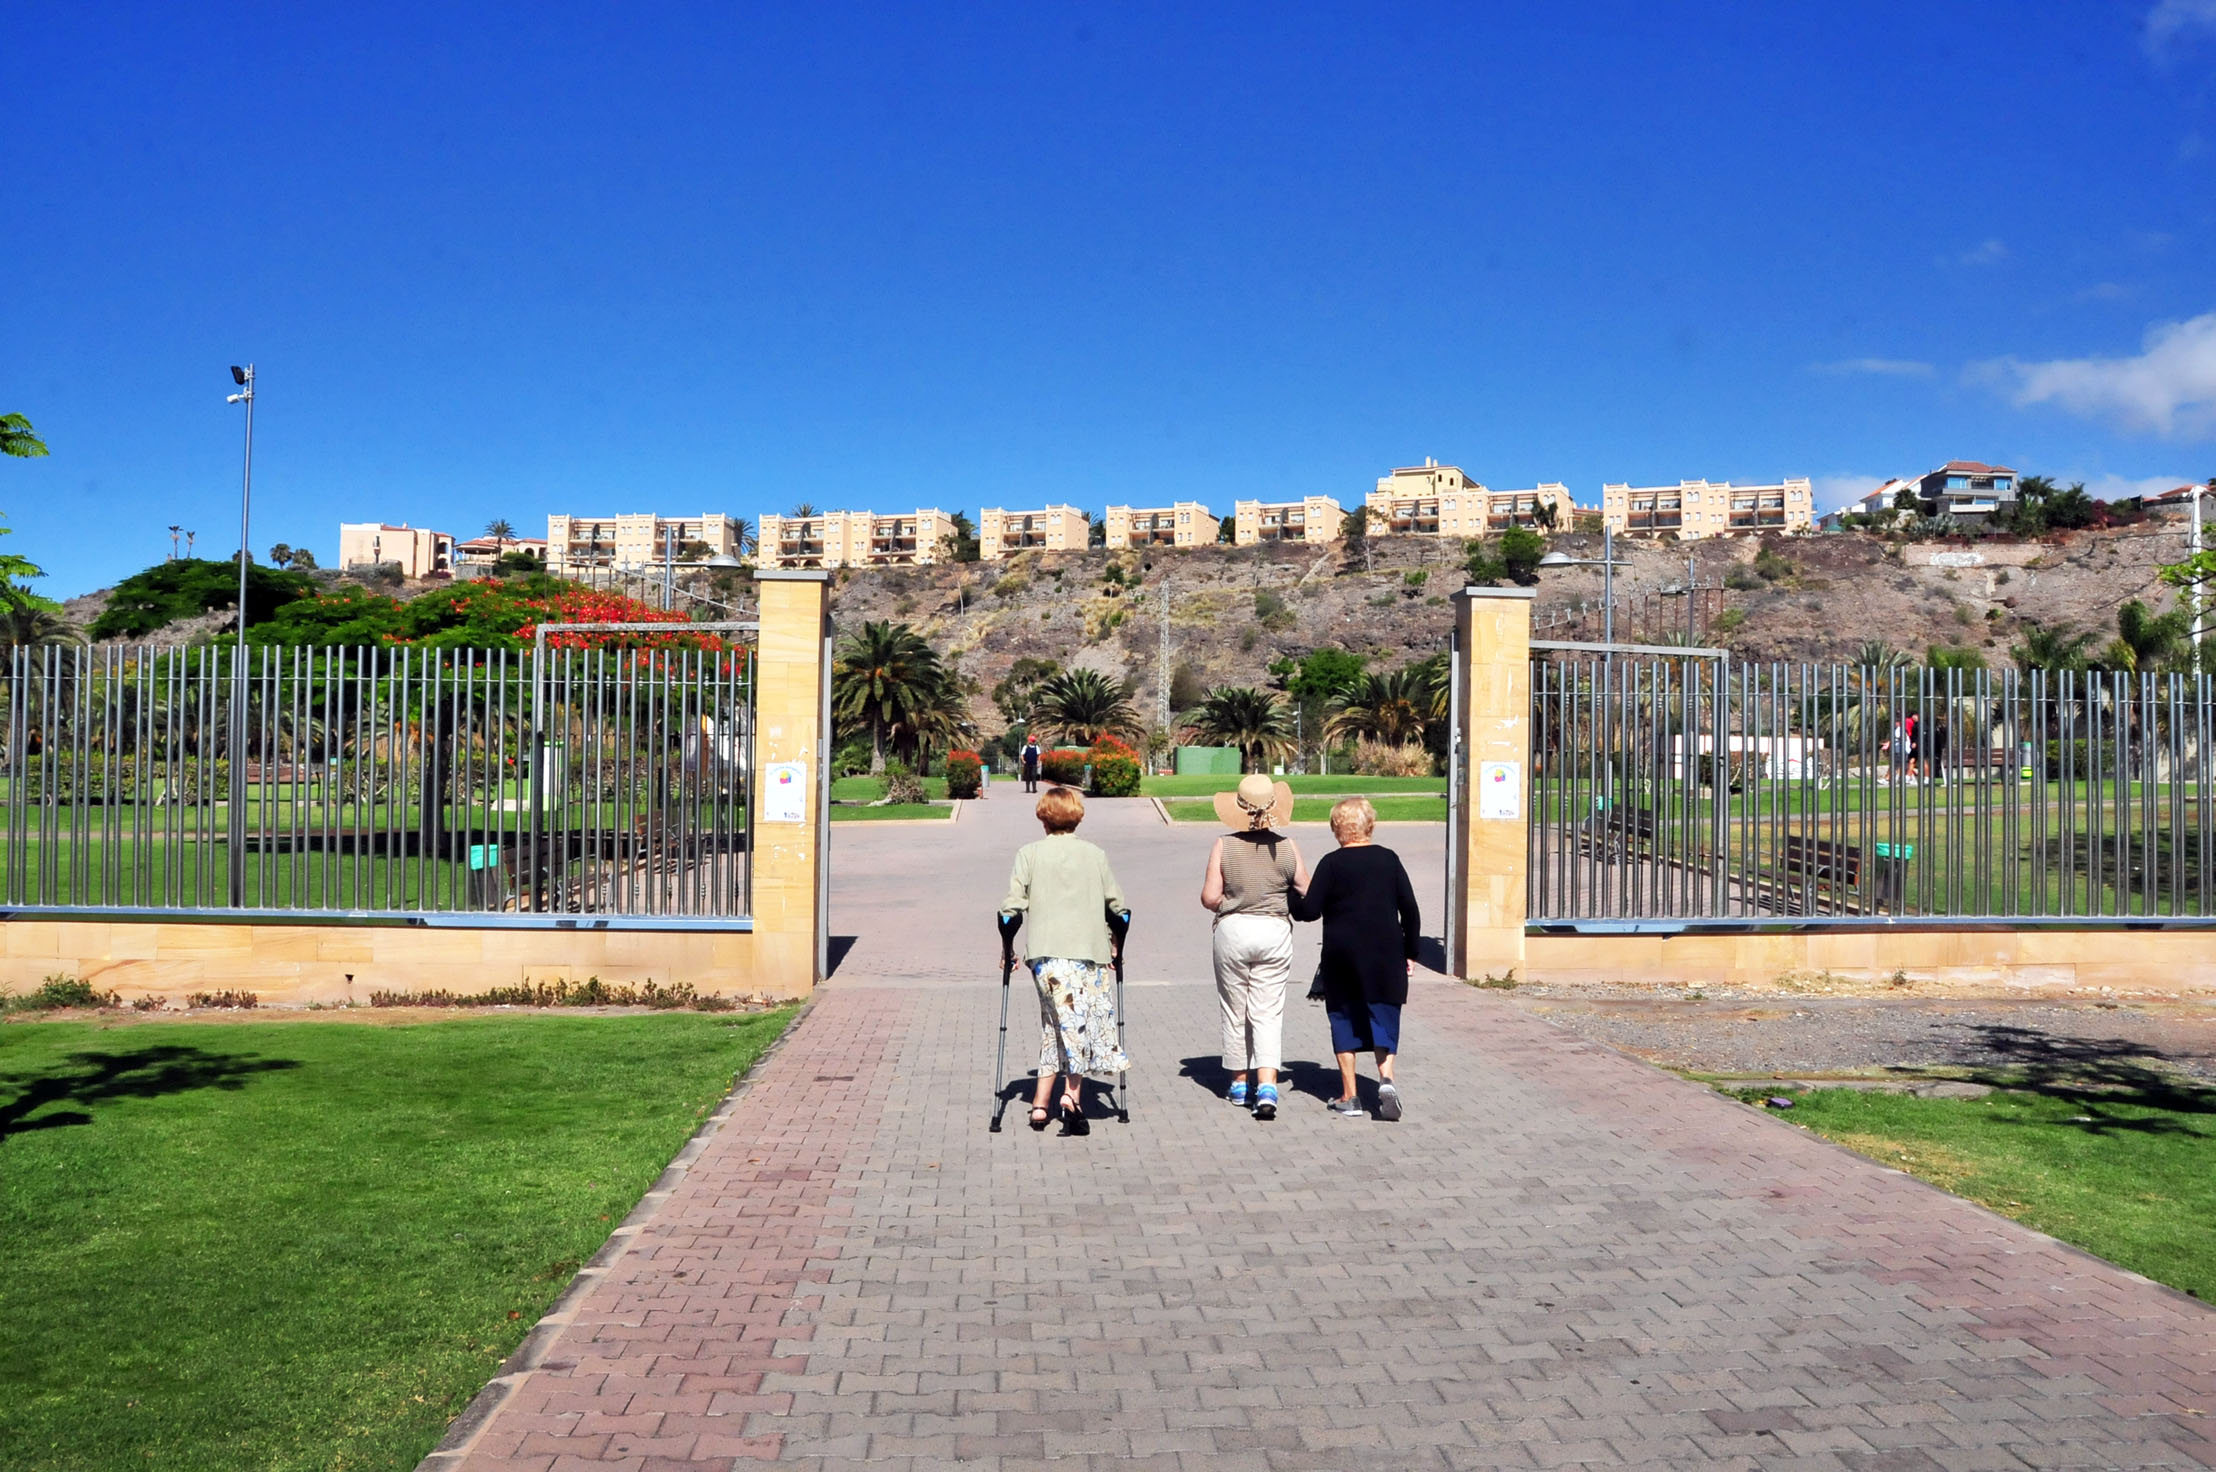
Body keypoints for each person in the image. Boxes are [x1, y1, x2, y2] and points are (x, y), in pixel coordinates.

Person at [1000, 786, 1129, 1135]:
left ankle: (1041, 1104)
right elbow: (1119, 909)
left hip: (1045, 956)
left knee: (1055, 1026)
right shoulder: (1095, 855)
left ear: (1043, 817)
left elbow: (1010, 910)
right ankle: (1071, 1098)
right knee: (1077, 1026)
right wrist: (1118, 945)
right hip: (1089, 954)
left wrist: (1007, 949)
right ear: (1076, 815)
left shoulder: (1029, 854)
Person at [1290, 796, 1421, 1121]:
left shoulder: (1331, 863)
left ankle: (1350, 1096)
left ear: (1337, 828)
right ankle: (1386, 1079)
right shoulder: (1389, 860)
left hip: (1342, 956)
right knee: (1384, 1017)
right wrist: (1411, 952)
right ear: (1370, 825)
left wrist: (1291, 896)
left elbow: (1310, 911)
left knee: (1344, 1019)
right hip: (1386, 955)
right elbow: (1411, 910)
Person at [1199, 774, 1308, 1121]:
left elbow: (1209, 897)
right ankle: (1268, 1085)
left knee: (1235, 1008)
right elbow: (1306, 888)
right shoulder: (1287, 846)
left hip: (1233, 930)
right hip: (1274, 930)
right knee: (1268, 1011)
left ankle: (1238, 1081)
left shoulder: (1224, 845)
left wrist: (1231, 902)